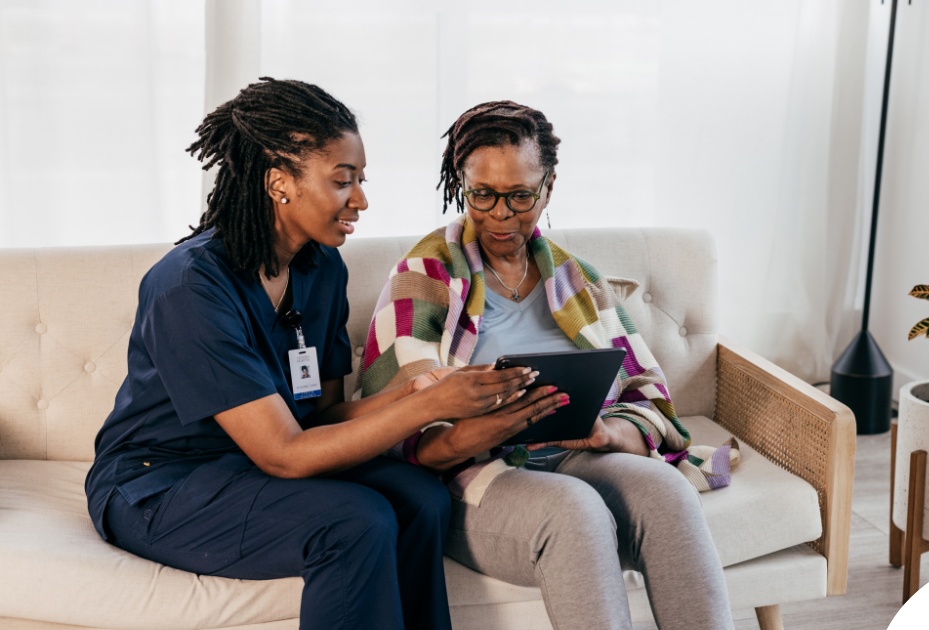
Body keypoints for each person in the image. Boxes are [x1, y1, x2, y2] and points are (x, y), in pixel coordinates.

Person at [84, 80, 565, 630]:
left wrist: (418, 392)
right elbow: (284, 454)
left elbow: (321, 417)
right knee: (354, 521)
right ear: (278, 183)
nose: (360, 199)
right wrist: (422, 410)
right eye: (343, 181)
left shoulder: (322, 268)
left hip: (253, 467)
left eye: (360, 180)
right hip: (162, 485)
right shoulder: (190, 287)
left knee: (421, 500)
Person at [358, 101, 736, 630]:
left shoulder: (576, 278)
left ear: (548, 187)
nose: (500, 215)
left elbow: (650, 397)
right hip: (476, 475)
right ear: (460, 183)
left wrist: (607, 434)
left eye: (520, 196)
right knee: (573, 511)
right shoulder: (424, 275)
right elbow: (400, 425)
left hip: (578, 457)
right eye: (482, 194)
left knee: (667, 492)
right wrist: (484, 426)